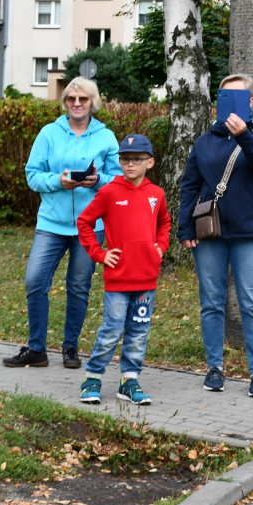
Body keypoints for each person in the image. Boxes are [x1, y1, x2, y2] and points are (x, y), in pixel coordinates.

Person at [3, 77, 122, 369]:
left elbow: (119, 181)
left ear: (93, 103)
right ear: (65, 102)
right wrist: (58, 181)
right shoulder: (48, 134)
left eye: (83, 99)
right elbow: (32, 175)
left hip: (90, 227)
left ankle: (70, 348)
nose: (77, 103)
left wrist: (98, 181)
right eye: (71, 99)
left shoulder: (106, 137)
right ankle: (36, 349)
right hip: (51, 224)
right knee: (34, 281)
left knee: (78, 287)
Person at [178, 74, 253, 399]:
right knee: (211, 302)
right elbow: (190, 186)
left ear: (250, 102)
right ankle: (214, 368)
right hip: (210, 231)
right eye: (224, 97)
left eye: (238, 98)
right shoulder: (205, 141)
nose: (230, 103)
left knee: (251, 302)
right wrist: (185, 228)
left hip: (251, 233)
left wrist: (243, 136)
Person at [76, 133, 170, 405]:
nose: (130, 164)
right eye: (125, 159)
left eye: (137, 160)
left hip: (146, 279)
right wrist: (99, 254)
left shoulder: (157, 194)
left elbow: (164, 222)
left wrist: (160, 247)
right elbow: (85, 222)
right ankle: (92, 377)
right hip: (118, 279)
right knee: (112, 331)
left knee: (139, 332)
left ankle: (129, 381)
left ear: (149, 162)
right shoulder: (108, 192)